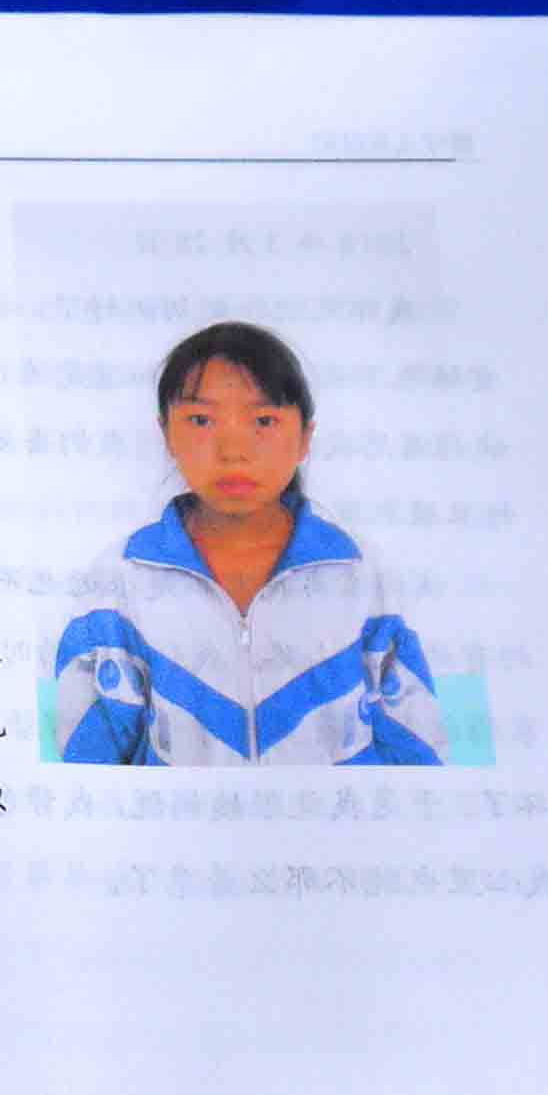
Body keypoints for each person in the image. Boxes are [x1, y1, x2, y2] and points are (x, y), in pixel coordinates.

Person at [51, 321, 444, 766]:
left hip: (335, 815)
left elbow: (416, 752)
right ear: (166, 435)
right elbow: (89, 766)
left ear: (305, 437)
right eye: (201, 420)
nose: (233, 450)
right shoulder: (120, 580)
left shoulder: (358, 574)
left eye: (264, 421)